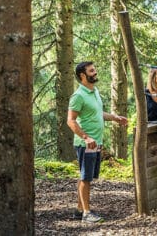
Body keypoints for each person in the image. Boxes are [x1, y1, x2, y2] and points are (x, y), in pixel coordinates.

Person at [66, 61, 128, 223]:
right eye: (91, 71)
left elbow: (98, 113)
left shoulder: (94, 92)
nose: (95, 72)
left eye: (95, 69)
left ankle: (79, 210)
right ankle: (87, 213)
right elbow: (71, 121)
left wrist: (115, 118)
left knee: (86, 176)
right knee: (86, 177)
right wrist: (86, 137)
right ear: (82, 76)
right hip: (86, 144)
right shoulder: (78, 96)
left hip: (96, 142)